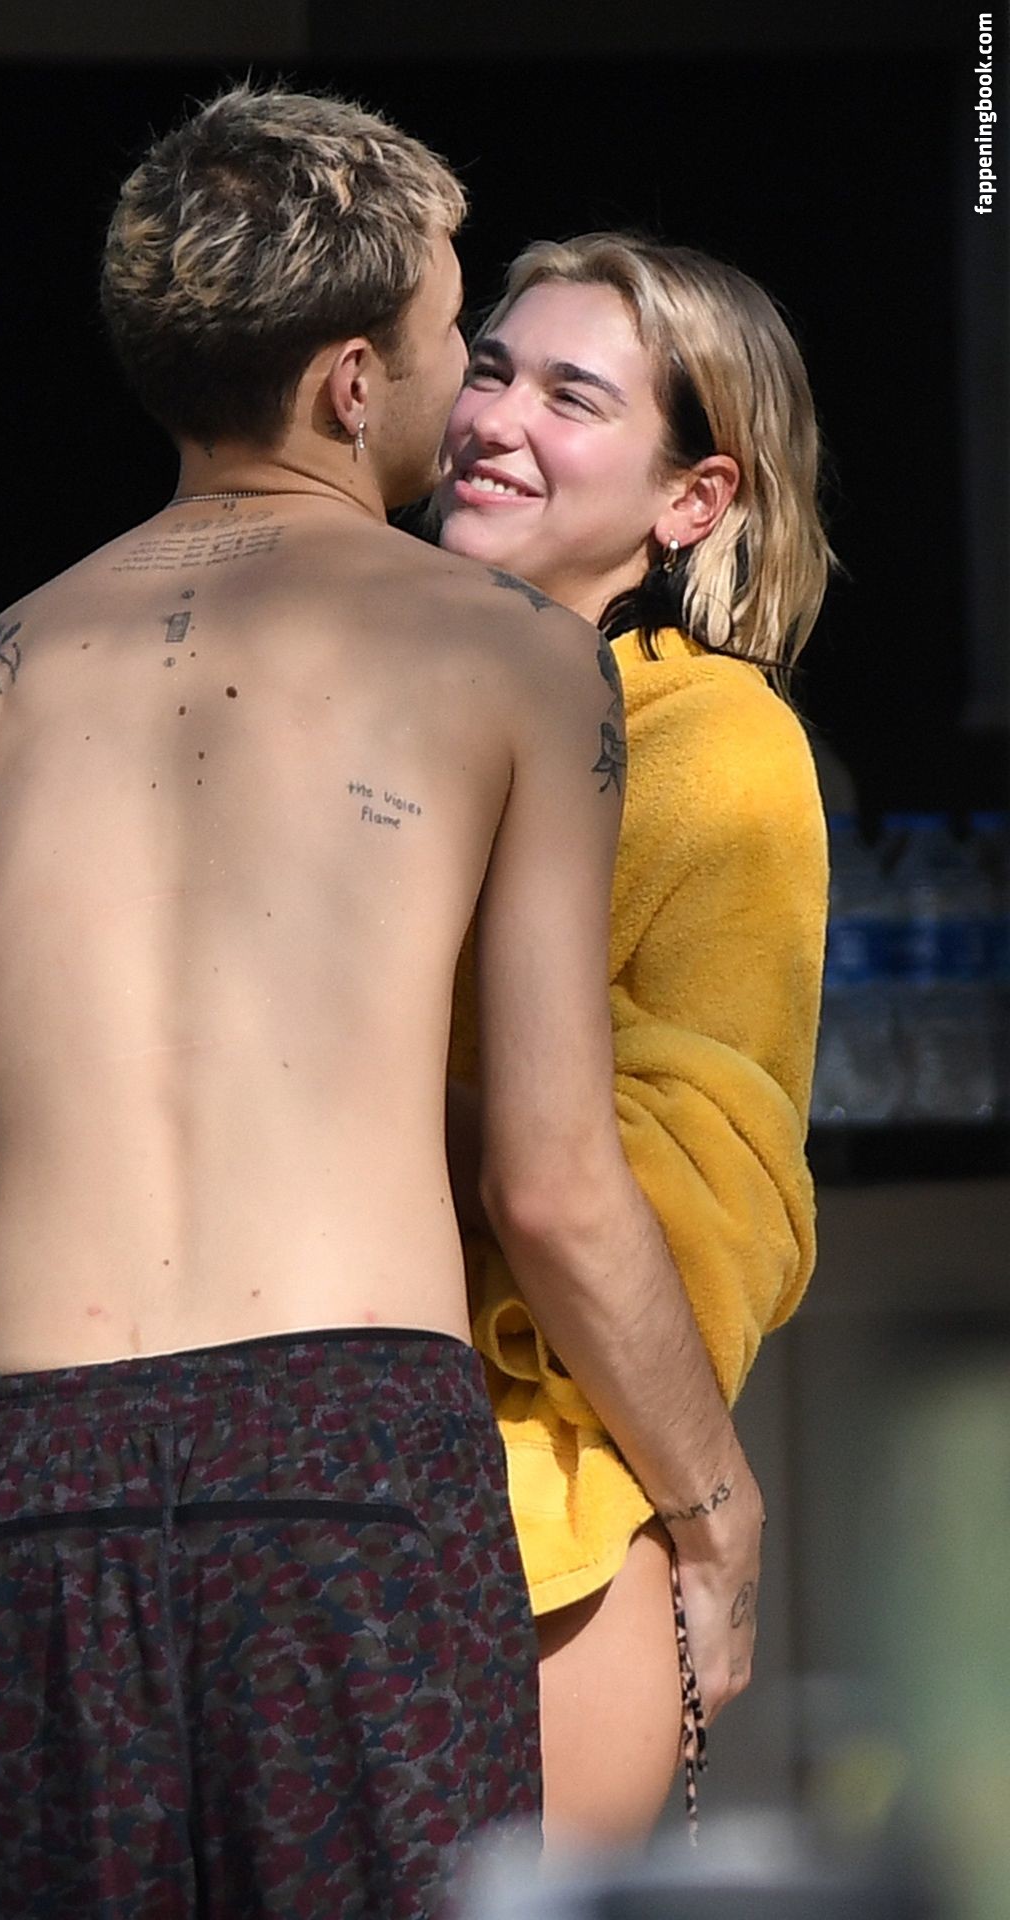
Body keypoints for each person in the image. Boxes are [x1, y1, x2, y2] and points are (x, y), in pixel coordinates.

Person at [0, 85, 763, 1916]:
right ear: (354, 381)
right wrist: (714, 1503)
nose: (469, 387)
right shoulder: (511, 653)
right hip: (343, 1452)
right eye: (456, 333)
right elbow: (553, 1178)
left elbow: (4, 1115)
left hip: (27, 1463)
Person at [437, 232, 832, 1845]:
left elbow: (686, 1207)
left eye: (571, 396)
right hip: (298, 1479)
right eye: (486, 368)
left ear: (694, 498)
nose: (494, 417)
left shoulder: (713, 747)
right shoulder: (352, 691)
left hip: (541, 1522)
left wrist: (715, 1512)